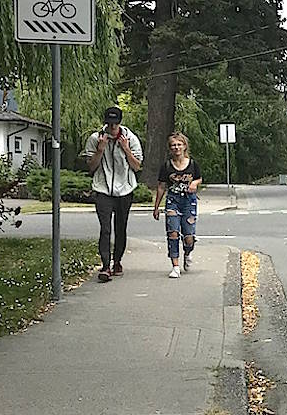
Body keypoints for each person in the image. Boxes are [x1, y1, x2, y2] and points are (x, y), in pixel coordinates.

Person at [84, 105, 143, 282]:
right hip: (102, 189)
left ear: (119, 123)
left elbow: (137, 166)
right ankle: (105, 265)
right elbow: (91, 167)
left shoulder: (130, 138)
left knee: (120, 227)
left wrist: (126, 149)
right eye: (109, 124)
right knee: (105, 229)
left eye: (115, 124)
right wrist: (100, 150)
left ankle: (117, 261)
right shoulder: (95, 139)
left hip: (125, 189)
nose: (112, 128)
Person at [152, 132, 202, 279]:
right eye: (173, 145)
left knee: (188, 236)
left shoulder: (192, 164)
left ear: (184, 146)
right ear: (170, 148)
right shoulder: (166, 166)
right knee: (172, 233)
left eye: (179, 144)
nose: (176, 147)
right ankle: (175, 266)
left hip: (188, 201)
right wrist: (156, 207)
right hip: (172, 201)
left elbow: (199, 178)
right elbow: (161, 186)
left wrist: (194, 183)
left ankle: (187, 252)